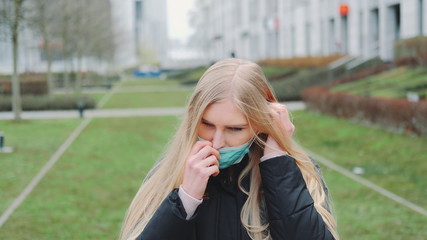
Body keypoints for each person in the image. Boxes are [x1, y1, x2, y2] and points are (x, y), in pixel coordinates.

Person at [120, 58, 339, 240]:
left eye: (235, 128)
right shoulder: (168, 173)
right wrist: (185, 200)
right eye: (206, 124)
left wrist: (277, 160)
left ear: (262, 123)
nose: (216, 143)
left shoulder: (295, 172)